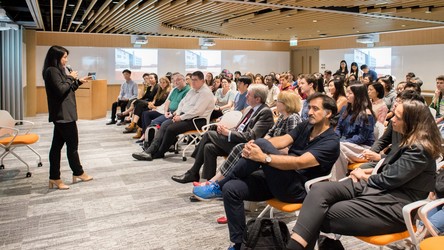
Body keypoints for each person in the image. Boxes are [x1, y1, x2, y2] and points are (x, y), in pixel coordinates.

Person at [286, 100, 442, 250]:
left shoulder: (419, 149)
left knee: (318, 213)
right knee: (319, 190)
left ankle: (294, 247)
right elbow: (391, 169)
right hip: (379, 191)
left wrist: (363, 174)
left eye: (397, 117)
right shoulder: (408, 140)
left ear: (412, 123)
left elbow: (388, 180)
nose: (391, 119)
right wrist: (367, 172)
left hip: (393, 205)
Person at [193, 93, 340, 250]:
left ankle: (218, 185)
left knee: (261, 144)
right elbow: (283, 140)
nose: (310, 112)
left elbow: (299, 162)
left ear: (328, 113)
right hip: (278, 177)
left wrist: (264, 157)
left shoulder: (331, 142)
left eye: (315, 108)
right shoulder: (306, 126)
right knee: (232, 189)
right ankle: (239, 244)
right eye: (309, 107)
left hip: (296, 188)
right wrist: (255, 145)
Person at [192, 91, 303, 188]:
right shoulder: (282, 117)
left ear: (286, 103)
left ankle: (213, 182)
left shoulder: (293, 118)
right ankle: (212, 182)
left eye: (278, 101)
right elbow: (269, 134)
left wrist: (261, 145)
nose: (275, 103)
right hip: (269, 148)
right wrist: (259, 143)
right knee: (210, 147)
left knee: (238, 147)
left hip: (281, 154)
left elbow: (289, 145)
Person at [171, 84, 274, 184]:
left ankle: (193, 172)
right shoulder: (249, 109)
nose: (246, 96)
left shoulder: (265, 112)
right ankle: (209, 183)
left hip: (245, 147)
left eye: (249, 94)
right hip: (235, 141)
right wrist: (227, 130)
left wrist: (228, 133)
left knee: (208, 134)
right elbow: (239, 128)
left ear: (258, 99)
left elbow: (251, 136)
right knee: (209, 147)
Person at [132, 71, 214, 161]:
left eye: (195, 80)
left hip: (198, 120)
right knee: (164, 124)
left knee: (171, 129)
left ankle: (158, 153)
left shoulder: (205, 93)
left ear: (202, 81)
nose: (193, 82)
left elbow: (197, 111)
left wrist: (180, 117)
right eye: (192, 80)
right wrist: (177, 113)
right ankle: (150, 150)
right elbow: (182, 103)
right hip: (186, 117)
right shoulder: (193, 90)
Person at [43, 45, 93, 190]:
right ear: (56, 57)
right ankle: (78, 172)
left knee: (56, 147)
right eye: (64, 57)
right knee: (72, 146)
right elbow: (61, 90)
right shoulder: (52, 71)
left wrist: (77, 82)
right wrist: (71, 78)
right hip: (63, 115)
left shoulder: (58, 71)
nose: (66, 60)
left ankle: (55, 177)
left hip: (65, 113)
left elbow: (67, 90)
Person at [334, 84, 375, 180]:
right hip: (345, 145)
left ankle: (337, 180)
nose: (347, 95)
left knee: (338, 147)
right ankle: (337, 180)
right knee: (334, 147)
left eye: (350, 93)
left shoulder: (366, 113)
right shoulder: (345, 109)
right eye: (347, 92)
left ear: (358, 95)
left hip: (362, 148)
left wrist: (341, 142)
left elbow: (362, 137)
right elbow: (339, 128)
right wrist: (336, 138)